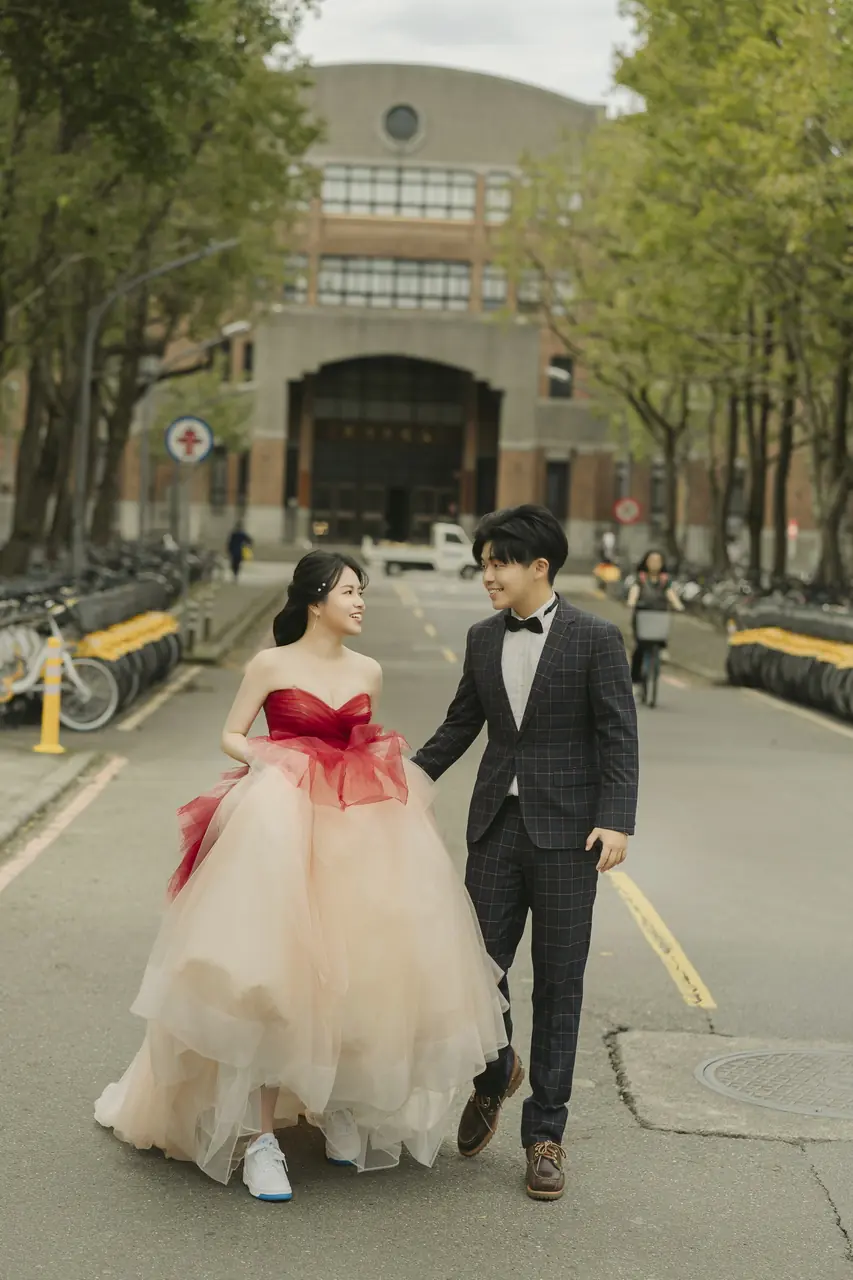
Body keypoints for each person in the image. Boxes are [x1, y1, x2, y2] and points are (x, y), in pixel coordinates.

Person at [95, 551, 506, 1201]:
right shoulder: (271, 664)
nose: (360, 601)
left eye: (362, 591)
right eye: (349, 591)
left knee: (359, 968)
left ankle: (334, 1102)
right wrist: (271, 759)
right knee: (274, 976)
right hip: (281, 823)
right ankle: (262, 1140)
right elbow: (232, 734)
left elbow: (359, 742)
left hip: (360, 828)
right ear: (315, 601)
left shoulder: (368, 670)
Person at [411, 505, 639, 1202]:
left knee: (560, 985)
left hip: (570, 837)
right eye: (483, 564)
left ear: (539, 567)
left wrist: (616, 821)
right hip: (496, 828)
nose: (487, 576)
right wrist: (402, 781)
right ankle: (494, 1072)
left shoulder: (595, 638)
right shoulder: (482, 638)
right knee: (477, 972)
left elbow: (618, 734)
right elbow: (460, 725)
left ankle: (545, 1136)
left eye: (497, 564)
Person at [626, 549, 685, 685]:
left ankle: (661, 651)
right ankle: (635, 678)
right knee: (640, 646)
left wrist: (678, 605)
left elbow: (670, 593)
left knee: (660, 636)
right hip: (642, 614)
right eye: (652, 560)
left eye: (658, 561)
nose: (654, 564)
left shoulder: (664, 580)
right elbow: (634, 591)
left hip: (659, 614)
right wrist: (632, 601)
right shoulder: (640, 578)